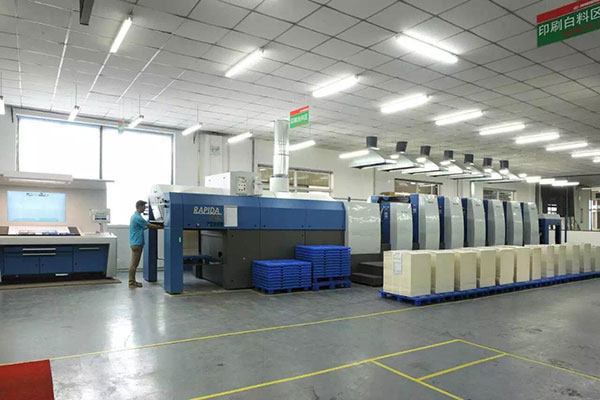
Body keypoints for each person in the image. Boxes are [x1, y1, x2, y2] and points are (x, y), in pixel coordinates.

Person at [129, 200, 161, 288]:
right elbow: (148, 225)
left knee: (134, 264)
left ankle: (132, 281)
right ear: (139, 206)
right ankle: (131, 282)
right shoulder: (137, 217)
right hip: (137, 243)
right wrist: (159, 226)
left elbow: (144, 226)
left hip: (135, 242)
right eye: (144, 207)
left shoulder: (135, 216)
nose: (145, 208)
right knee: (134, 264)